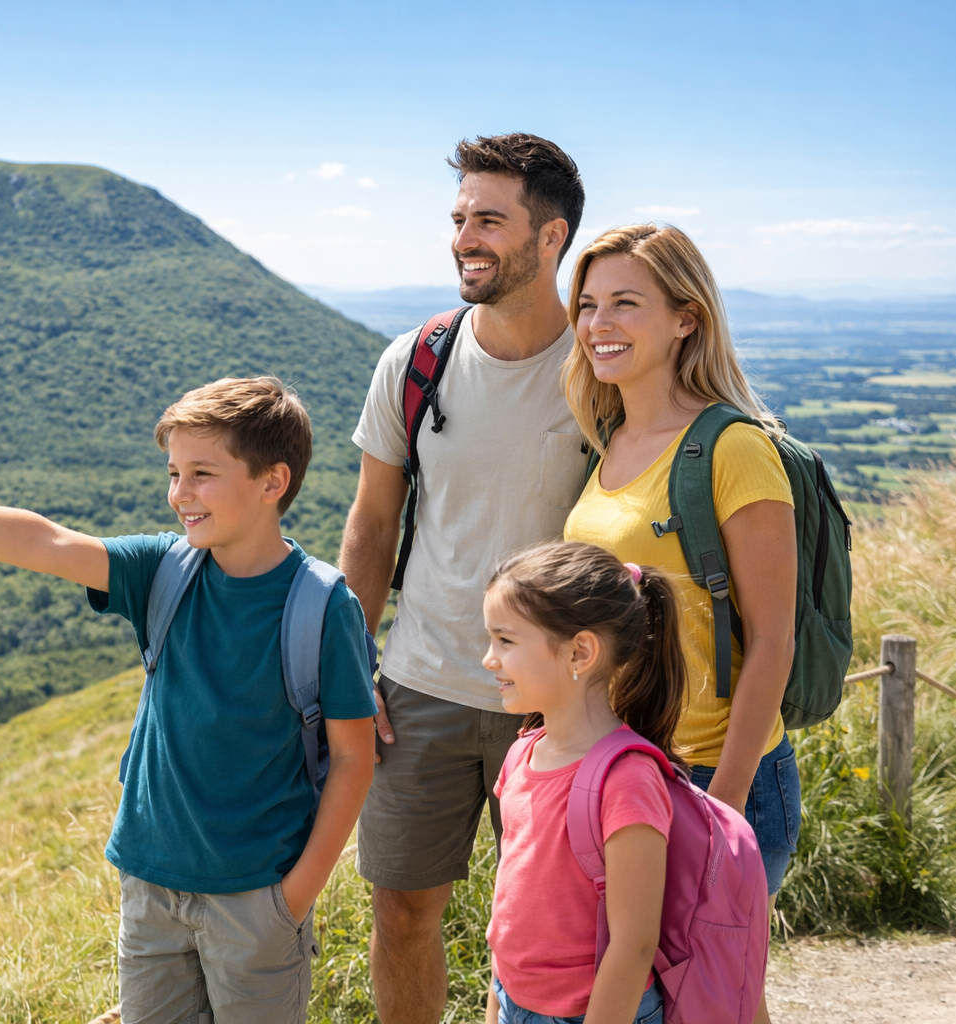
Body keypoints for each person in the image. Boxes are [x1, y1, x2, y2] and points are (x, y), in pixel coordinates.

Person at [0, 376, 379, 1024]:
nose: (180, 494)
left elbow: (353, 756)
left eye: (202, 473)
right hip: (149, 884)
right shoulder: (163, 571)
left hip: (256, 897)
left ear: (273, 481)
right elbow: (47, 543)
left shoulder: (322, 606)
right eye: (174, 473)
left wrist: (291, 899)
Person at [339, 132, 588, 1024]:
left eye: (490, 219)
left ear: (551, 237)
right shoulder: (417, 362)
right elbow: (370, 527)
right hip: (419, 690)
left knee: (545, 926)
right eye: (458, 218)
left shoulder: (602, 371)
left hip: (557, 701)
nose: (464, 237)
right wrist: (346, 664)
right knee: (402, 912)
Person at [560, 224, 797, 1024]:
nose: (599, 324)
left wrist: (721, 808)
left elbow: (773, 640)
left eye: (627, 303)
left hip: (711, 779)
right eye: (589, 304)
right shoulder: (611, 442)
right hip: (628, 774)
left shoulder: (732, 449)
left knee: (711, 1002)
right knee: (689, 1000)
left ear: (685, 319)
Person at [479, 541, 684, 1024]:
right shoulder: (521, 754)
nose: (489, 659)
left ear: (580, 651)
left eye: (505, 641)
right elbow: (508, 911)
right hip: (515, 1002)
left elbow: (634, 946)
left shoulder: (628, 780)